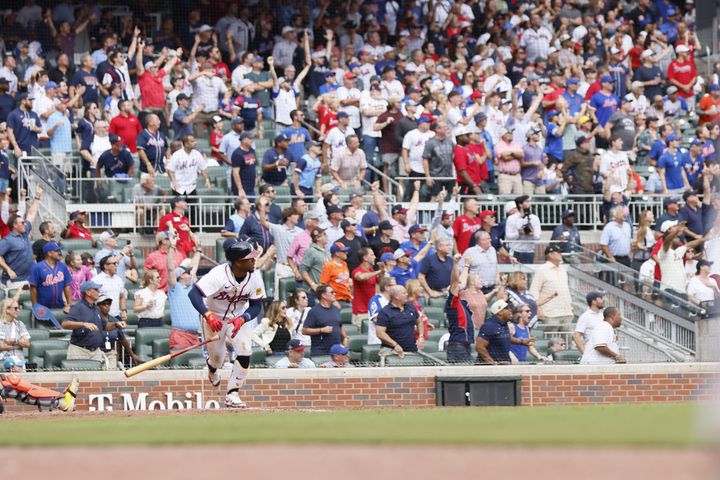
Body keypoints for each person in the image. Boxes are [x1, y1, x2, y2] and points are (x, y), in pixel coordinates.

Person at [189, 239, 265, 408]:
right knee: (218, 359)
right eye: (250, 258)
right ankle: (212, 369)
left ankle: (232, 393)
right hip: (213, 317)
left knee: (245, 349)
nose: (254, 260)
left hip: (238, 317)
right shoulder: (218, 275)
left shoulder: (254, 277)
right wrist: (207, 315)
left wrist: (244, 318)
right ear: (238, 262)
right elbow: (194, 294)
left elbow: (256, 305)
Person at [61, 280, 127, 370]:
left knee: (96, 380)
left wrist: (116, 324)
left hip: (95, 351)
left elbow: (105, 326)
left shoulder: (96, 308)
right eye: (96, 290)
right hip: (80, 351)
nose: (98, 292)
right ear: (88, 292)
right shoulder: (78, 307)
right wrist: (83, 324)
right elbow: (65, 324)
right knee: (78, 379)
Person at [167, 234, 201, 350]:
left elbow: (195, 265)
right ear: (181, 275)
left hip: (195, 336)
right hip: (180, 335)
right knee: (181, 365)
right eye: (188, 272)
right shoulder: (174, 288)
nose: (191, 274)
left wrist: (199, 250)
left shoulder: (192, 287)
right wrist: (171, 247)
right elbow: (170, 269)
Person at [529, 245, 573, 334]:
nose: (561, 254)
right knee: (552, 344)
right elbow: (534, 291)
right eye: (558, 252)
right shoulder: (542, 270)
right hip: (550, 313)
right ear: (550, 255)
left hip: (566, 312)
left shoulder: (563, 270)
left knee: (567, 344)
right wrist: (538, 308)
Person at [0, 194, 42, 288]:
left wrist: (37, 197)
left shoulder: (25, 232)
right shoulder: (8, 240)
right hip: (14, 281)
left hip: (28, 279)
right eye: (22, 223)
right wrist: (8, 269)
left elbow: (31, 215)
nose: (25, 224)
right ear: (15, 225)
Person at [375, 285, 423, 367]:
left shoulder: (410, 306)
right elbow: (380, 333)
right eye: (404, 293)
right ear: (396, 296)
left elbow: (419, 321)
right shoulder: (385, 312)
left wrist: (421, 336)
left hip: (411, 350)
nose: (407, 294)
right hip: (391, 351)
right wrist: (395, 345)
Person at [302, 284, 348, 357]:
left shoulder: (336, 309)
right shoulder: (314, 311)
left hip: (336, 353)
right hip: (320, 352)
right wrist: (321, 330)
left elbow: (341, 328)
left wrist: (345, 344)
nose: (334, 294)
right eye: (332, 292)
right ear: (323, 295)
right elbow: (304, 330)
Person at [96, 294, 141, 369]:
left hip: (110, 353)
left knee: (110, 372)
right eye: (104, 304)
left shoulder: (115, 320)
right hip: (96, 352)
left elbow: (123, 339)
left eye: (109, 303)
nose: (107, 306)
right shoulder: (95, 319)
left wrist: (132, 355)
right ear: (98, 306)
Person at [29, 242, 72, 312]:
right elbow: (33, 288)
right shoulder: (37, 267)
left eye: (59, 251)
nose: (59, 253)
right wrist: (35, 306)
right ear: (49, 253)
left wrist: (69, 304)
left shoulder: (63, 266)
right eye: (56, 251)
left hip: (60, 307)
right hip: (43, 308)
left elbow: (67, 286)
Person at [476, 299, 517, 364]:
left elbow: (505, 337)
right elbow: (479, 347)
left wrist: (522, 342)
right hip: (490, 370)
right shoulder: (489, 325)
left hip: (504, 365)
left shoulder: (504, 324)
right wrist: (492, 363)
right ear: (499, 312)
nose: (510, 310)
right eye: (506, 308)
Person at [505, 195, 541, 264]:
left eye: (529, 201)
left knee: (527, 274)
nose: (529, 203)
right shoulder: (511, 218)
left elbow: (538, 237)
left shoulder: (535, 218)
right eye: (527, 201)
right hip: (515, 250)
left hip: (529, 251)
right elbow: (508, 236)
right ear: (520, 204)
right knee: (514, 273)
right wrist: (518, 233)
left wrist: (532, 234)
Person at [92, 255, 128, 322]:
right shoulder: (96, 280)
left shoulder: (118, 279)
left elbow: (122, 296)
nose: (116, 266)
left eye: (116, 263)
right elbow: (91, 299)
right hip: (101, 317)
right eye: (114, 264)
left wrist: (123, 310)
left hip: (116, 317)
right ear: (106, 266)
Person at [0, 297, 30, 370]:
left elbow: (27, 344)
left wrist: (15, 341)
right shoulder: (1, 325)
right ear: (7, 310)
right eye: (16, 308)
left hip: (19, 359)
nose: (18, 310)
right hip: (3, 359)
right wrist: (16, 346)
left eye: (18, 308)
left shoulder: (20, 324)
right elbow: (1, 346)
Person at [299, 228, 330, 295]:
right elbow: (302, 269)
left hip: (325, 290)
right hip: (313, 291)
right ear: (318, 238)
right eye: (324, 234)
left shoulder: (327, 252)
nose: (327, 236)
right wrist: (312, 284)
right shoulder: (311, 251)